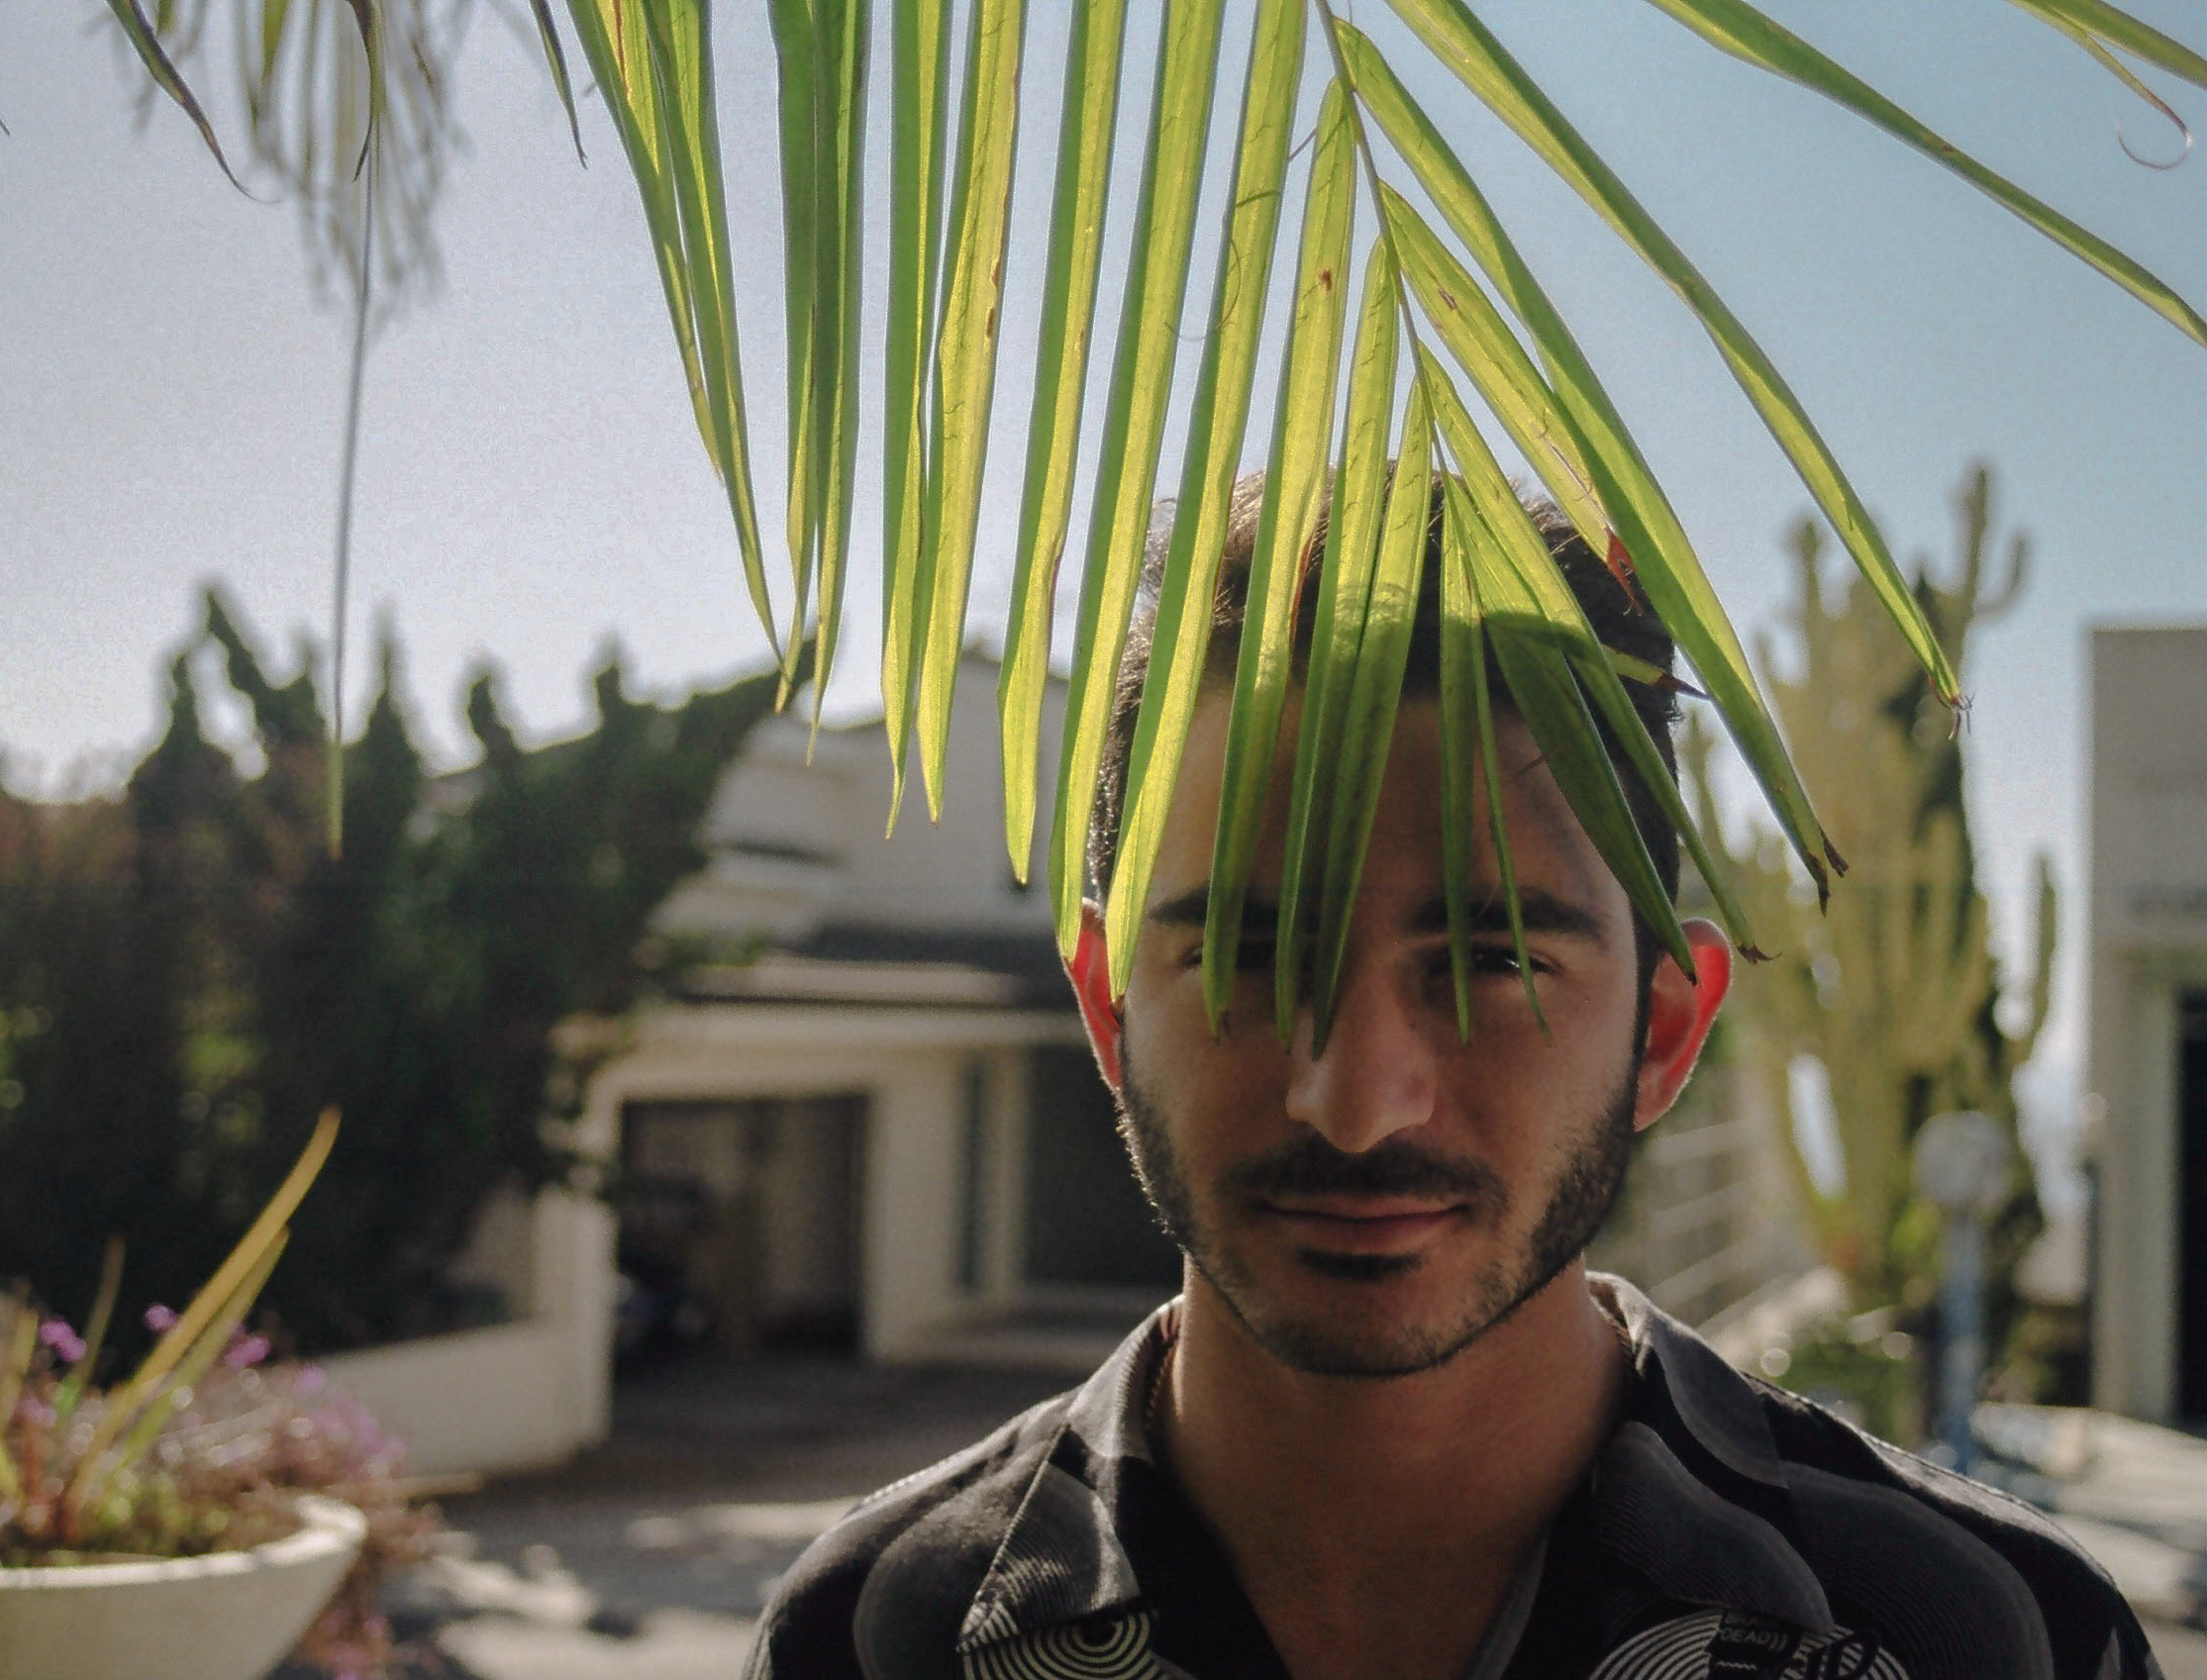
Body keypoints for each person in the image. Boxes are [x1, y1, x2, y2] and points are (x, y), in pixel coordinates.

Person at [743, 473, 2157, 1680]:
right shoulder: (871, 1641)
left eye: (1494, 962)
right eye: (1248, 954)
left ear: (1666, 1027)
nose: (1356, 1101)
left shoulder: (1989, 1638)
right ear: (1111, 1004)